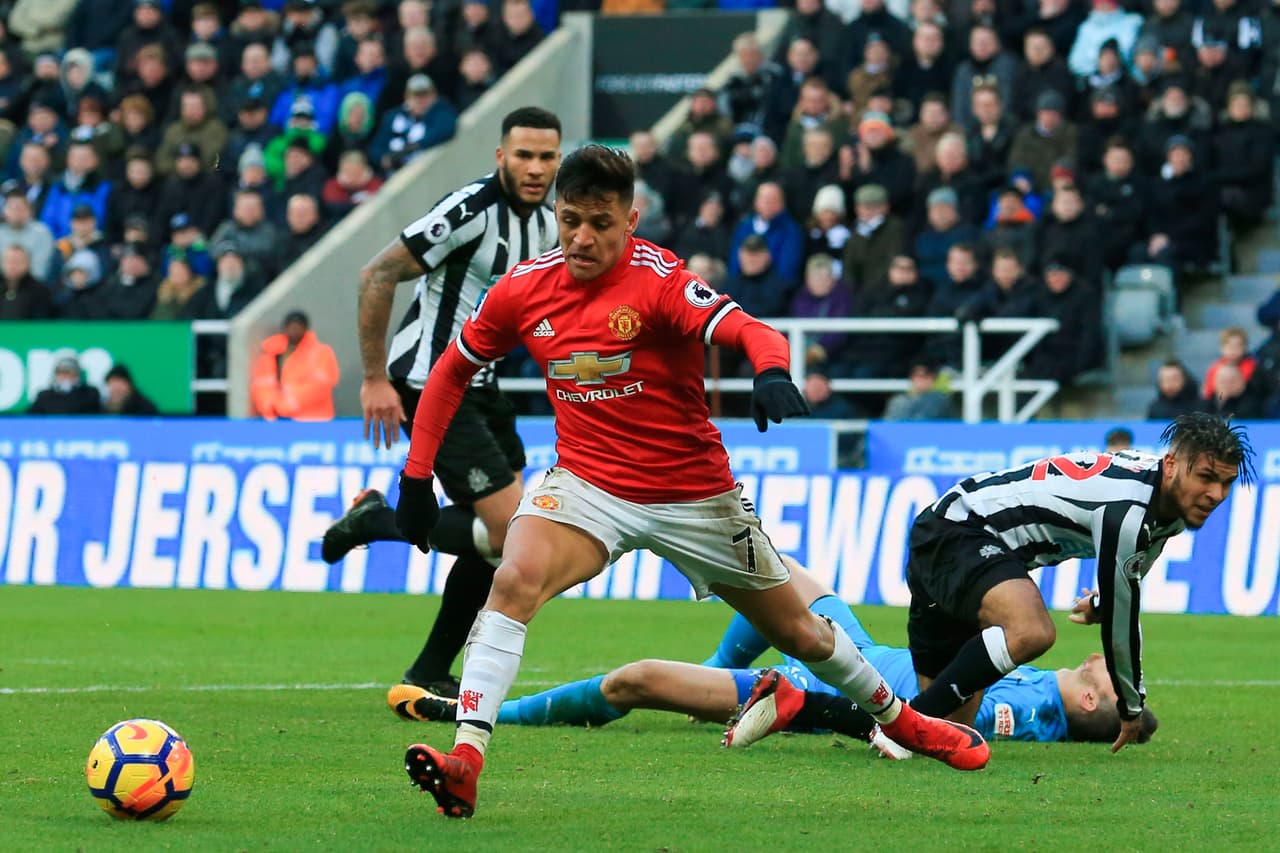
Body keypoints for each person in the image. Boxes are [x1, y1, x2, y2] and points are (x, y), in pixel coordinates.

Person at [394, 144, 991, 820]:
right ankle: (466, 760)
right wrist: (416, 477)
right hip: (588, 484)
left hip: (694, 496)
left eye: (600, 223)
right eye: (569, 221)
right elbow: (450, 370)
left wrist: (771, 371)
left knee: (801, 634)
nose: (582, 238)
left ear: (631, 220)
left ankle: (904, 722)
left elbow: (752, 330)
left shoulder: (659, 281)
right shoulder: (524, 286)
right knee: (512, 580)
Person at [399, 557, 1159, 749]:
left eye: (1103, 672)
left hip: (825, 680)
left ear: (1090, 699)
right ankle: (715, 663)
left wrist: (825, 712)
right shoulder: (1045, 685)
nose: (1105, 662)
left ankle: (482, 712)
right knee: (757, 560)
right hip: (853, 646)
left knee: (633, 680)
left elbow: (947, 723)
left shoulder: (1031, 712)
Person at [322, 108, 564, 703]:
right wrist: (374, 378)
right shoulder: (470, 210)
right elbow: (378, 273)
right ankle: (376, 520)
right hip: (432, 381)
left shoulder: (548, 224)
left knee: (503, 543)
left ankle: (429, 670)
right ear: (501, 157)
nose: (535, 168)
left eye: (547, 157)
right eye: (524, 155)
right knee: (508, 533)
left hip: (486, 387)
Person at [902, 413, 1252, 754]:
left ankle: (902, 723)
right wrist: (1130, 706)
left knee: (948, 732)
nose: (1216, 494)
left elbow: (1134, 569)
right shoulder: (1128, 509)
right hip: (962, 529)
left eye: (1226, 482)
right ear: (1171, 464)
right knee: (1032, 631)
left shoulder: (1164, 503)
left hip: (957, 540)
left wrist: (1101, 602)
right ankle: (900, 722)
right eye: (1206, 477)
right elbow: (1121, 625)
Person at [250, 310, 340, 421]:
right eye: (290, 326)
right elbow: (262, 384)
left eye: (298, 327)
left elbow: (320, 386)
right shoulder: (271, 352)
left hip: (313, 420)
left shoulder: (321, 352)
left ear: (305, 328)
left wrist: (289, 404)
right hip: (277, 420)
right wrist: (270, 406)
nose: (294, 330)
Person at [28, 357, 102, 414]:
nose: (66, 377)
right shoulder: (45, 397)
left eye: (70, 374)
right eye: (62, 373)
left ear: (78, 376)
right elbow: (28, 417)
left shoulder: (89, 394)